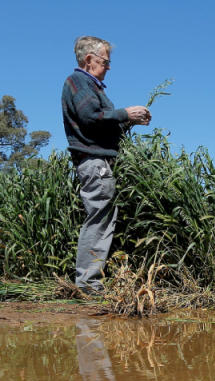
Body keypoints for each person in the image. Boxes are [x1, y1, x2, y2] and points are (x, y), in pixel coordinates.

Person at [61, 36, 151, 294]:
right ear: (89, 60)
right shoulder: (79, 81)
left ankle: (88, 282)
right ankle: (89, 284)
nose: (109, 67)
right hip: (94, 161)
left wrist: (130, 120)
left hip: (96, 160)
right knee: (99, 218)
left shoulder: (90, 85)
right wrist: (124, 113)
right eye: (105, 62)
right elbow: (91, 117)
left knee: (100, 217)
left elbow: (102, 123)